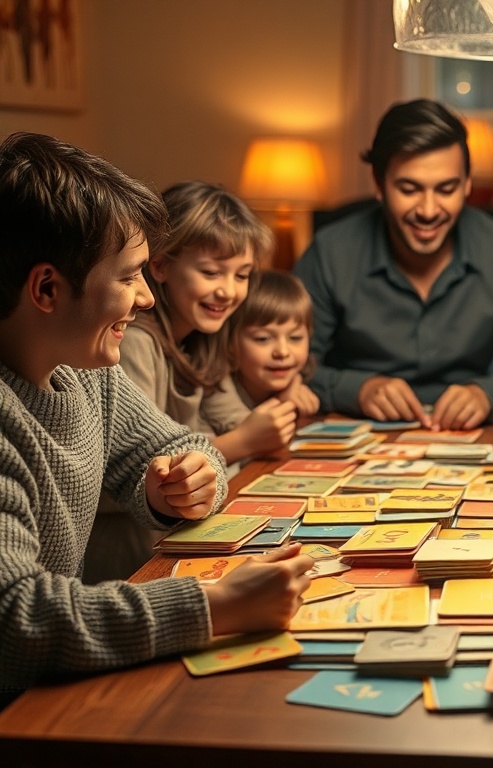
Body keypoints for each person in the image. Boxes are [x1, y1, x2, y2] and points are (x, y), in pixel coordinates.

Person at [0, 132, 312, 705]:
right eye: (128, 277)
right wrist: (215, 605)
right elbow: (17, 618)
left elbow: (187, 444)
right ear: (47, 287)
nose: (146, 298)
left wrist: (189, 479)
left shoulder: (86, 371)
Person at [293, 98, 493, 430]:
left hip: (476, 435)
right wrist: (357, 390)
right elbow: (288, 364)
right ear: (379, 185)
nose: (428, 210)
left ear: (467, 184)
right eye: (409, 189)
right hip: (356, 434)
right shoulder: (331, 251)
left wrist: (485, 395)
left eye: (446, 189)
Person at [85, 181, 296, 583]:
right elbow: (132, 468)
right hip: (128, 554)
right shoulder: (133, 342)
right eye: (211, 272)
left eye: (242, 275)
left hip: (179, 529)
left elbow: (233, 415)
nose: (228, 290)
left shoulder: (203, 336)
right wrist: (245, 442)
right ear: (161, 266)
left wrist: (280, 399)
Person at [228, 269, 319, 416]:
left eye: (295, 338)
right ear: (229, 344)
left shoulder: (296, 386)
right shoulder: (215, 395)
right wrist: (281, 405)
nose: (283, 352)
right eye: (263, 339)